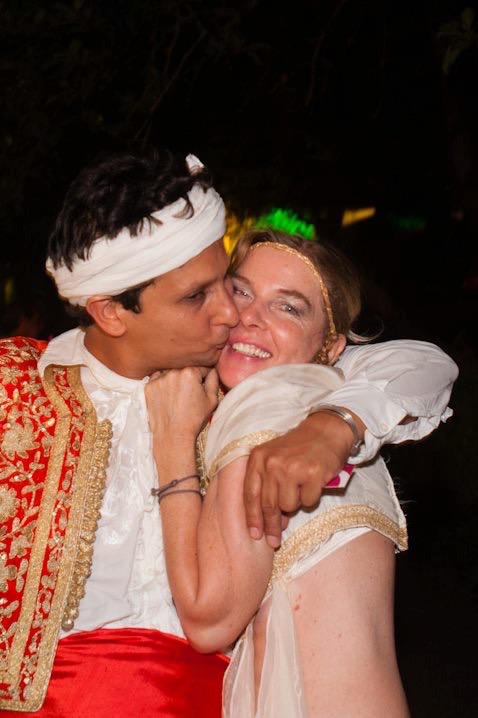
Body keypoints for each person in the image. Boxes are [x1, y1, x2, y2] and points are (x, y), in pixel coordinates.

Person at [0, 148, 457, 715]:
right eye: (201, 295)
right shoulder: (16, 389)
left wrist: (336, 424)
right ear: (111, 312)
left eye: (226, 284)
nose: (232, 315)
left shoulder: (257, 387)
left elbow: (420, 363)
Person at [144, 228, 443, 717]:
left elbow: (209, 619)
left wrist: (172, 444)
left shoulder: (269, 406)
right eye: (241, 292)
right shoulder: (319, 399)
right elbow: (420, 363)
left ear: (330, 347)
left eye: (288, 307)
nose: (250, 316)